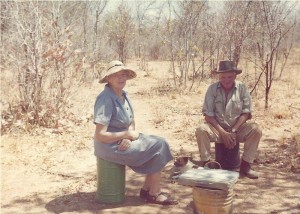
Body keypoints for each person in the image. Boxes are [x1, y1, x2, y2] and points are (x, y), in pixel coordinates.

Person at [93, 60, 178, 205]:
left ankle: (147, 190)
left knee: (160, 142)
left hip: (124, 140)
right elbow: (100, 135)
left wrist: (129, 137)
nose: (121, 78)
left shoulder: (123, 95)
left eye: (123, 75)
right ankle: (154, 193)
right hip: (109, 147)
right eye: (116, 75)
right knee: (159, 146)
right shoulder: (105, 98)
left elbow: (130, 121)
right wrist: (125, 135)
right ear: (108, 78)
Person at [195, 60, 262, 179]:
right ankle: (207, 164)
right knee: (201, 129)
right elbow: (208, 116)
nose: (226, 80)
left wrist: (234, 130)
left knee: (256, 130)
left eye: (230, 77)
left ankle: (246, 166)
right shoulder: (212, 89)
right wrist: (223, 133)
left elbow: (246, 113)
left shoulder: (242, 88)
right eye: (223, 77)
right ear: (219, 76)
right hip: (217, 129)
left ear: (235, 75)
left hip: (236, 129)